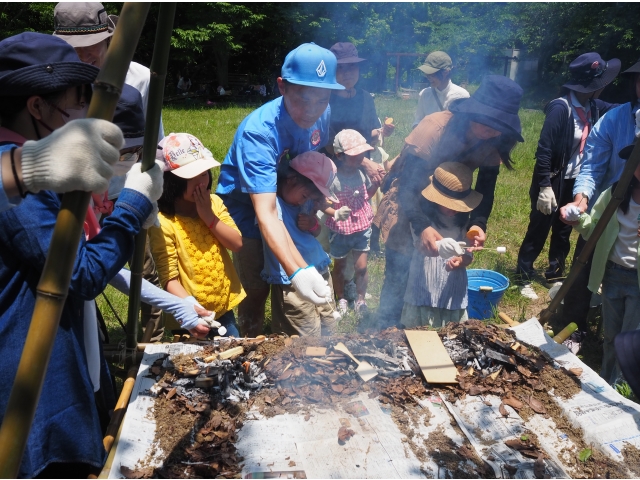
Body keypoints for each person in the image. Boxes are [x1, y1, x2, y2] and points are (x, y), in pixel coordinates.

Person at [0, 32, 163, 478]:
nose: (82, 115)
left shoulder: (22, 168)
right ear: (37, 107)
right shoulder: (21, 188)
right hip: (31, 386)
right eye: (76, 102)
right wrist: (131, 206)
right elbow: (84, 274)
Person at [215, 43, 345, 337]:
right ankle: (250, 343)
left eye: (322, 99)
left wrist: (315, 201)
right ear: (282, 87)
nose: (312, 110)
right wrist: (297, 271)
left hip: (287, 197)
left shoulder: (321, 115)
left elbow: (312, 156)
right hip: (247, 206)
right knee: (257, 285)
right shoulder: (259, 133)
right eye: (303, 98)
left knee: (291, 268)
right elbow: (266, 212)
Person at [375, 75, 523, 328]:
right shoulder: (434, 128)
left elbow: (486, 188)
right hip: (410, 200)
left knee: (434, 272)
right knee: (400, 274)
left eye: (499, 126)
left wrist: (478, 224)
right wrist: (422, 226)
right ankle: (385, 331)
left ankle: (423, 325)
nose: (492, 131)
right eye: (488, 122)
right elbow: (409, 183)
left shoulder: (494, 141)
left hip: (451, 202)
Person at [516, 53, 620, 300]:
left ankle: (555, 272)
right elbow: (544, 148)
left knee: (565, 229)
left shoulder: (595, 106)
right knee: (539, 226)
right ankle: (523, 275)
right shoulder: (560, 107)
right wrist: (543, 185)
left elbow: (622, 110)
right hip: (552, 179)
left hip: (577, 180)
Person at [559, 57, 640, 344]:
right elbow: (592, 166)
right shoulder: (615, 119)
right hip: (608, 210)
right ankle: (574, 326)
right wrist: (581, 201)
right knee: (583, 266)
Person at [150, 133, 244, 337]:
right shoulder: (163, 222)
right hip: (188, 317)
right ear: (169, 181)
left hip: (223, 309)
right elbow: (169, 278)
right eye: (191, 176)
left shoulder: (214, 205)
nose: (201, 181)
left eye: (204, 173)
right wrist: (192, 309)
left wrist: (208, 217)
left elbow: (236, 243)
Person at [572, 143, 640, 386]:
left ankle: (624, 385)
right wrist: (577, 219)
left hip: (637, 281)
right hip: (613, 274)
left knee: (630, 338)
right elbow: (593, 229)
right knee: (612, 335)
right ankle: (607, 379)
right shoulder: (615, 194)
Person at [53, 2, 165, 142]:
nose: (82, 55)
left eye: (91, 44)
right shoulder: (55, 81)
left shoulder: (140, 78)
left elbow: (155, 143)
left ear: (108, 39)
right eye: (73, 46)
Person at [327, 41, 394, 258]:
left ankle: (370, 235)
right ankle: (342, 238)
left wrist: (382, 131)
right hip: (335, 162)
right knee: (371, 171)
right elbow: (328, 142)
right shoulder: (326, 100)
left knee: (385, 174)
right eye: (341, 68)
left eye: (352, 67)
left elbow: (369, 133)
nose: (348, 74)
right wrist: (363, 162)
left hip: (365, 155)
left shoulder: (365, 98)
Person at [264, 151, 339, 336]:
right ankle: (305, 363)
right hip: (292, 277)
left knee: (329, 323)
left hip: (319, 266)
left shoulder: (304, 202)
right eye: (305, 196)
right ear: (291, 179)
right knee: (304, 332)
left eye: (311, 198)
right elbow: (273, 231)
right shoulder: (271, 205)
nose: (305, 201)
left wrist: (313, 224)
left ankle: (329, 359)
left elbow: (317, 231)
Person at [401, 162, 482, 327]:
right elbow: (421, 246)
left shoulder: (464, 225)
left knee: (451, 331)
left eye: (458, 205)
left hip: (452, 284)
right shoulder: (423, 222)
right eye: (449, 204)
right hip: (424, 281)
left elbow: (468, 255)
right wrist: (440, 247)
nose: (454, 210)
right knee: (420, 326)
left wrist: (461, 261)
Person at [323, 130, 380, 316]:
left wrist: (376, 186)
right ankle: (341, 298)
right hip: (341, 229)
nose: (360, 158)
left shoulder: (361, 174)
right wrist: (335, 212)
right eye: (354, 155)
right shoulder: (333, 177)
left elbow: (364, 198)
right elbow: (323, 203)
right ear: (340, 155)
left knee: (361, 267)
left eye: (362, 153)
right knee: (339, 266)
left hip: (361, 226)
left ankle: (360, 299)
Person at [413, 51, 470, 129]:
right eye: (426, 73)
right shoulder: (424, 94)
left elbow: (464, 128)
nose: (428, 77)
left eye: (431, 73)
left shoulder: (462, 96)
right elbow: (418, 120)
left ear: (445, 72)